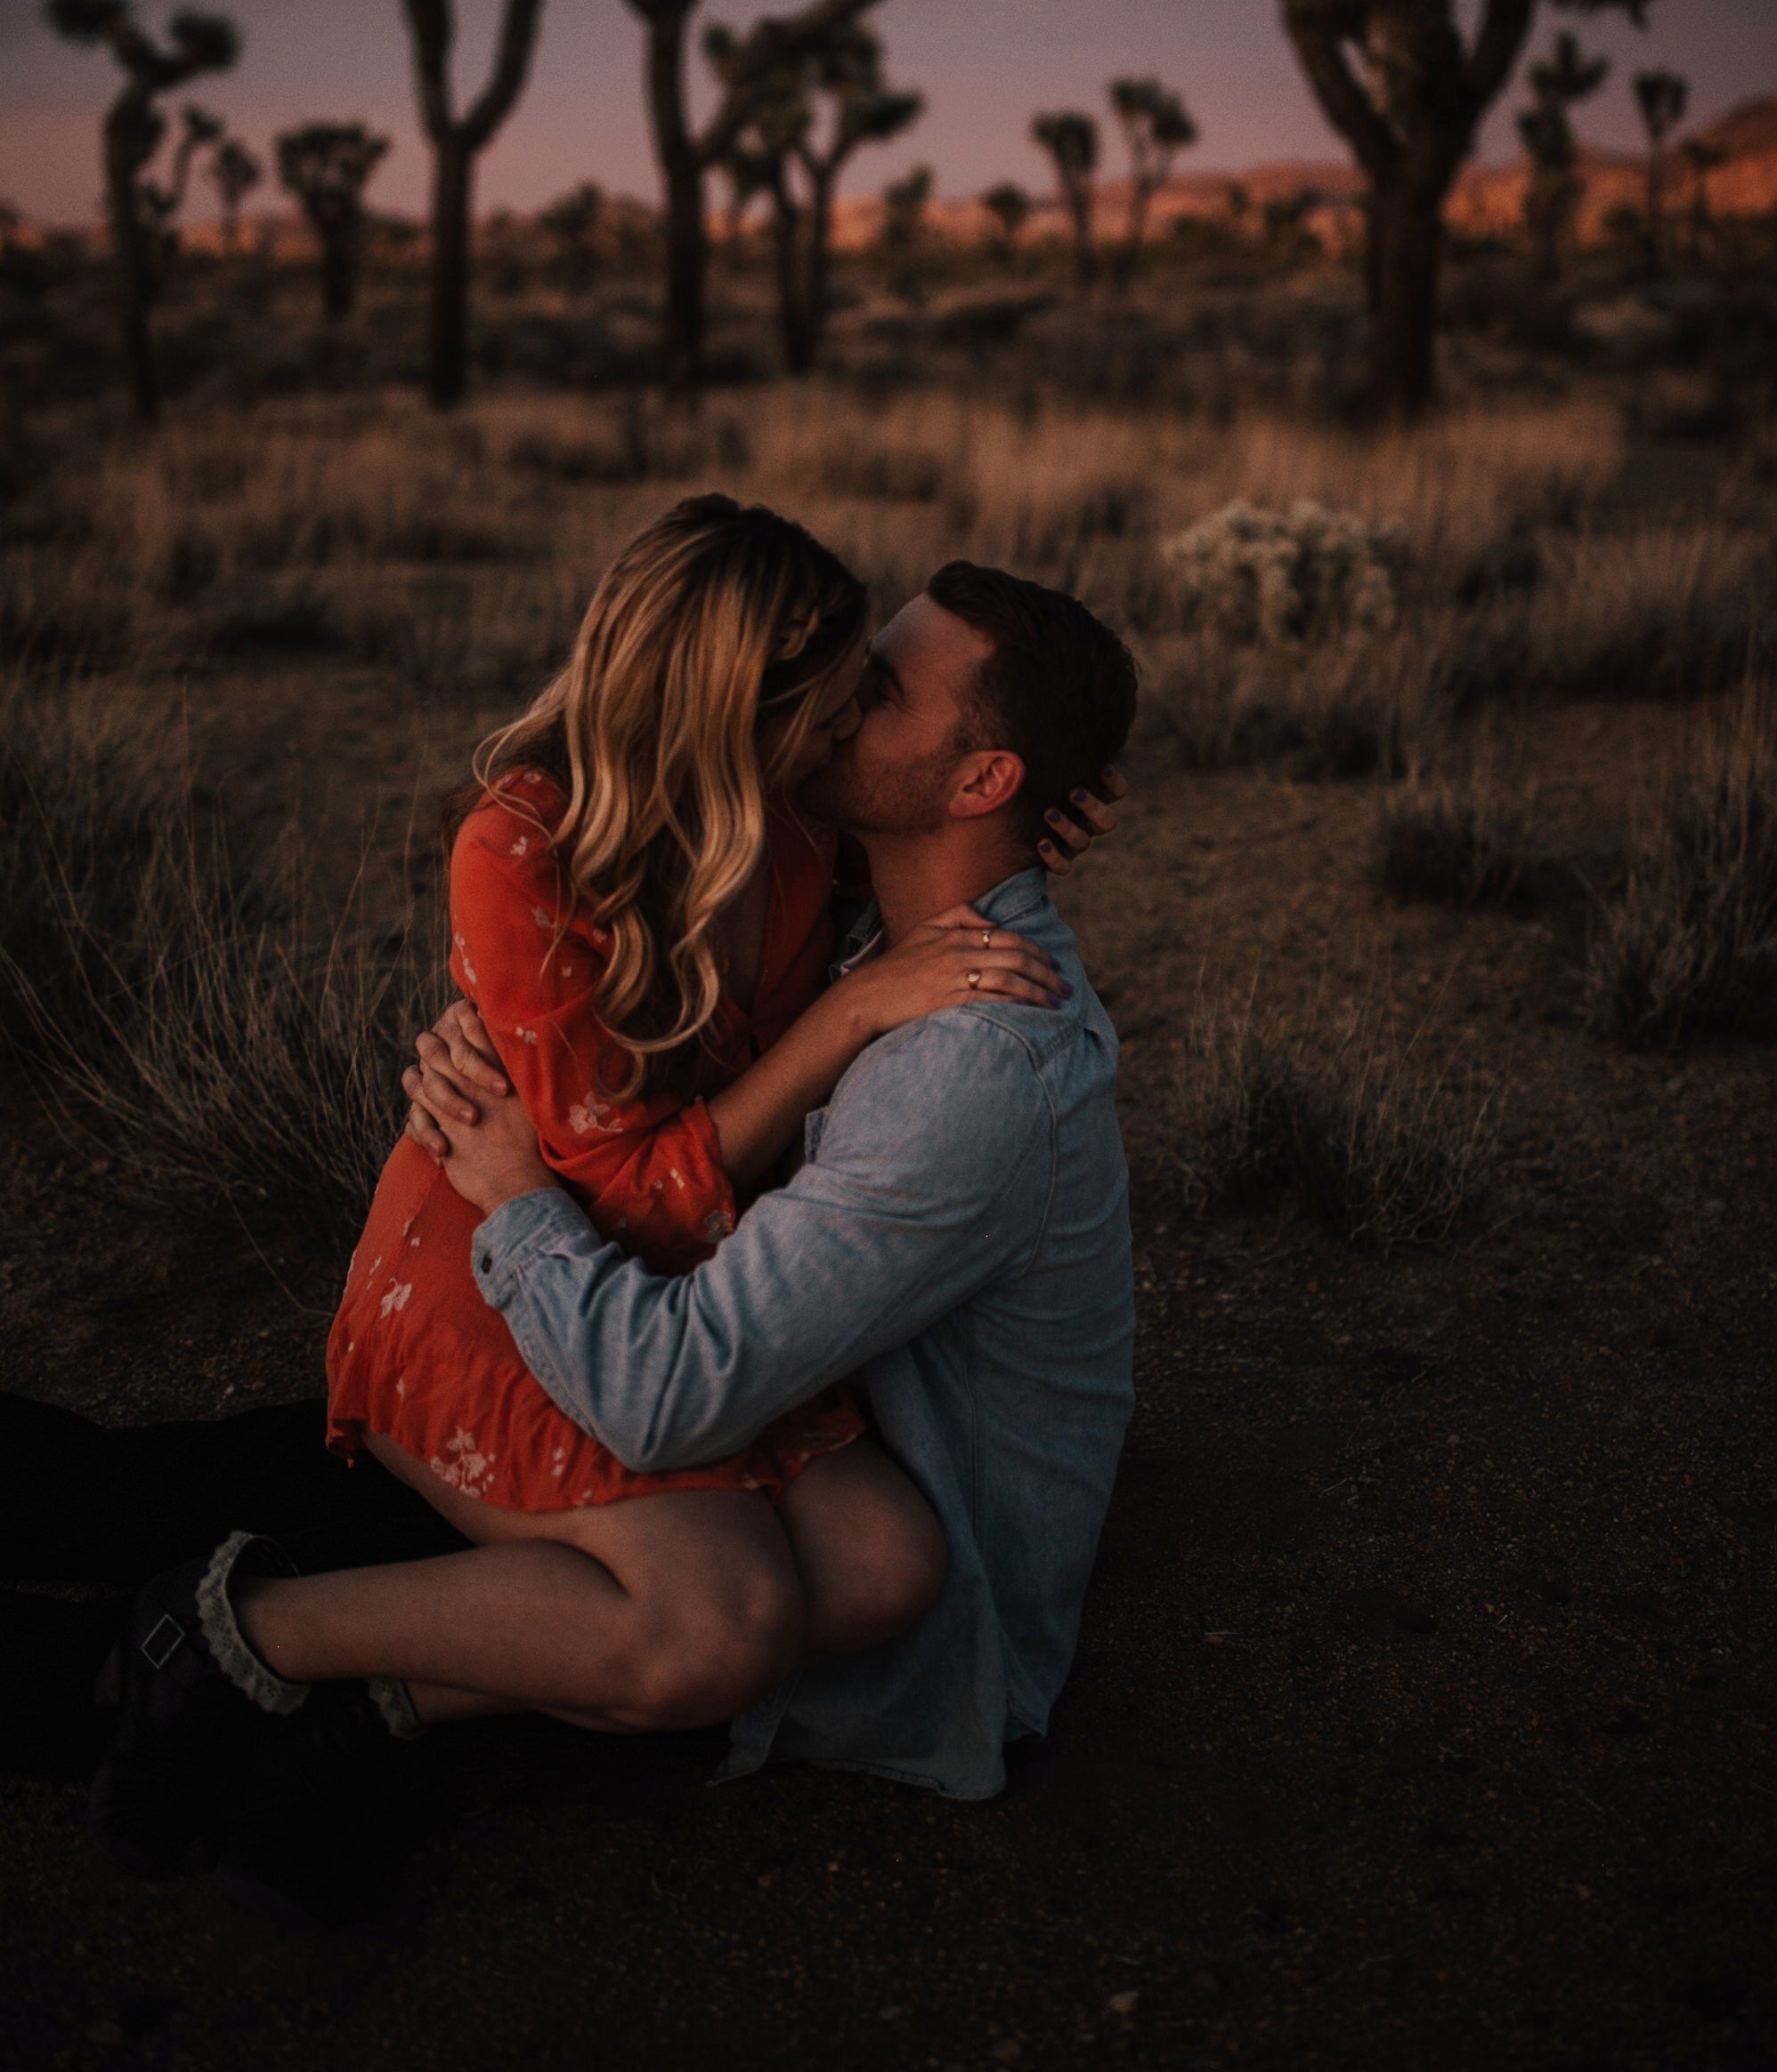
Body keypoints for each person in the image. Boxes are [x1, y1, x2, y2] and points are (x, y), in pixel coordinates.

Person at [77, 510, 1126, 1902]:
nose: (843, 708)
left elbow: (954, 819)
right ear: (743, 704)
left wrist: (1029, 803)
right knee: (720, 1617)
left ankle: (378, 1696)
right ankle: (227, 1637)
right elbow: (631, 1234)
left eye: (876, 690)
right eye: (847, 680)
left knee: (884, 1564)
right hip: (499, 1238)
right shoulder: (545, 843)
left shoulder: (815, 828)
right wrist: (861, 993)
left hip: (642, 1264)